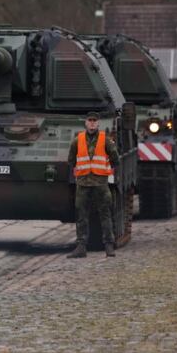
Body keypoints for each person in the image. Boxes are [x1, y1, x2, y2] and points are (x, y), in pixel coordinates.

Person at [67, 111, 121, 259]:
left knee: (105, 214)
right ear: (85, 123)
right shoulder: (78, 140)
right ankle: (81, 247)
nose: (92, 123)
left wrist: (109, 172)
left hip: (100, 183)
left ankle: (109, 246)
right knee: (81, 216)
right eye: (89, 120)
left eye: (94, 121)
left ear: (98, 123)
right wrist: (77, 173)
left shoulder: (106, 140)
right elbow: (71, 159)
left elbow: (115, 158)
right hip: (83, 183)